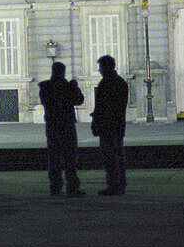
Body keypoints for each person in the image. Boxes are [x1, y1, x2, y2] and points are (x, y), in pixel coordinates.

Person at [39, 61, 85, 196]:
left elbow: (45, 102)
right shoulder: (68, 86)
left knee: (54, 157)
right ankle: (72, 186)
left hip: (53, 125)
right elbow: (79, 100)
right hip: (66, 125)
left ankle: (55, 186)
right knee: (70, 157)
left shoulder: (45, 86)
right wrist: (74, 88)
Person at [90, 55, 128, 195]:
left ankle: (114, 184)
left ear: (106, 67)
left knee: (110, 157)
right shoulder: (120, 82)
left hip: (108, 126)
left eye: (100, 67)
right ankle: (120, 184)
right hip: (118, 124)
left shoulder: (105, 84)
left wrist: (96, 122)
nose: (99, 70)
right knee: (118, 155)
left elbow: (101, 107)